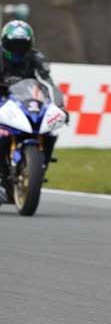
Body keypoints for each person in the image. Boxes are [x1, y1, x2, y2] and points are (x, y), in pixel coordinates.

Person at [0, 20, 65, 203]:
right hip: (2, 98)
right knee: (2, 132)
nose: (18, 49)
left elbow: (48, 83)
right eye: (14, 45)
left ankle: (35, 168)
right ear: (5, 43)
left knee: (49, 131)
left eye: (22, 45)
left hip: (24, 99)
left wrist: (59, 105)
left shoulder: (36, 58)